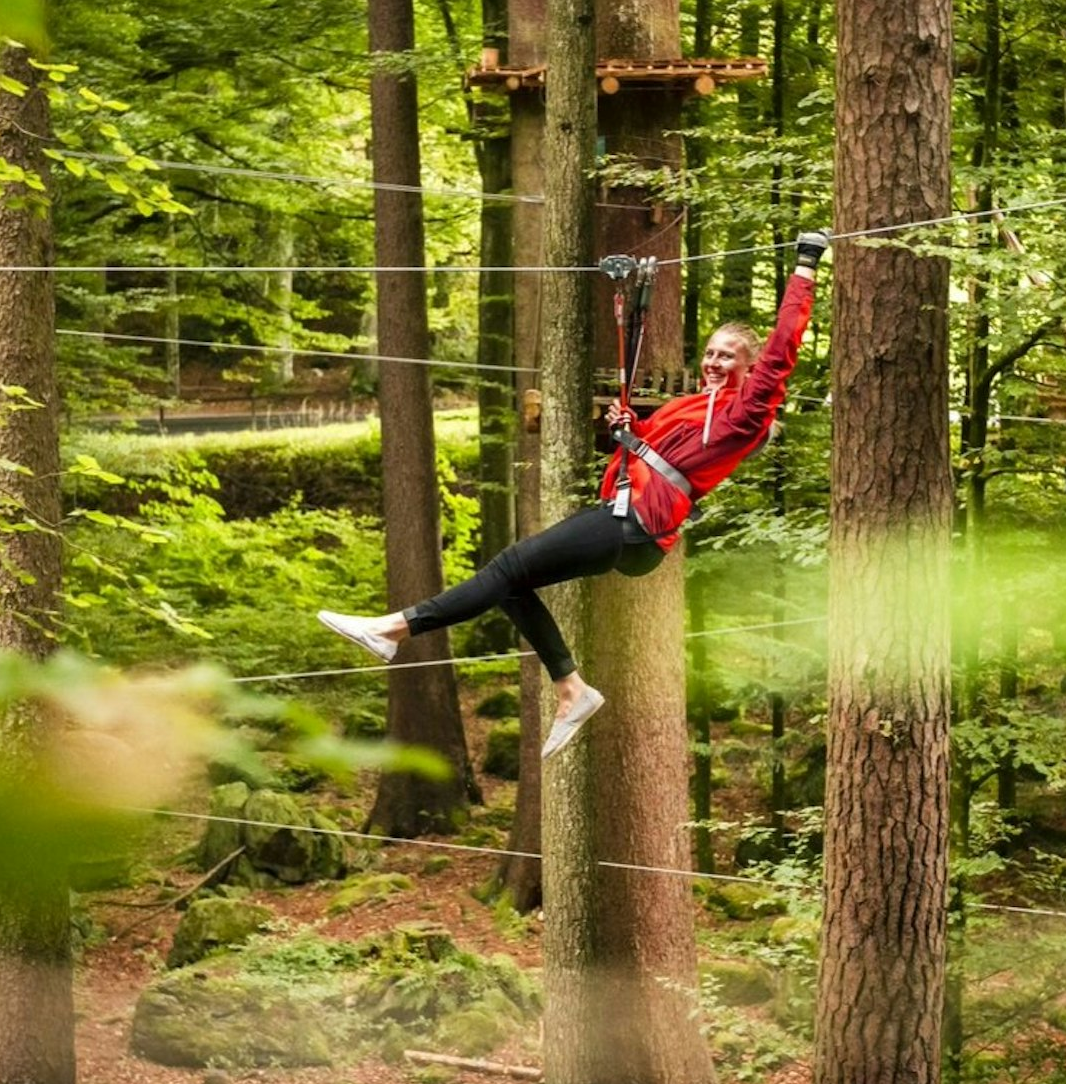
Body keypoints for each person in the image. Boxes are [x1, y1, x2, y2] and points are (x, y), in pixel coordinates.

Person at [319, 230, 828, 760]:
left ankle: (395, 629)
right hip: (629, 520)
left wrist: (805, 266)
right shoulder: (693, 406)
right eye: (710, 352)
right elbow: (658, 451)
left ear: (749, 371)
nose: (714, 362)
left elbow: (782, 347)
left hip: (636, 525)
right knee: (512, 583)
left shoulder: (745, 414)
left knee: (509, 566)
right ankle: (571, 689)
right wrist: (627, 429)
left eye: (728, 358)